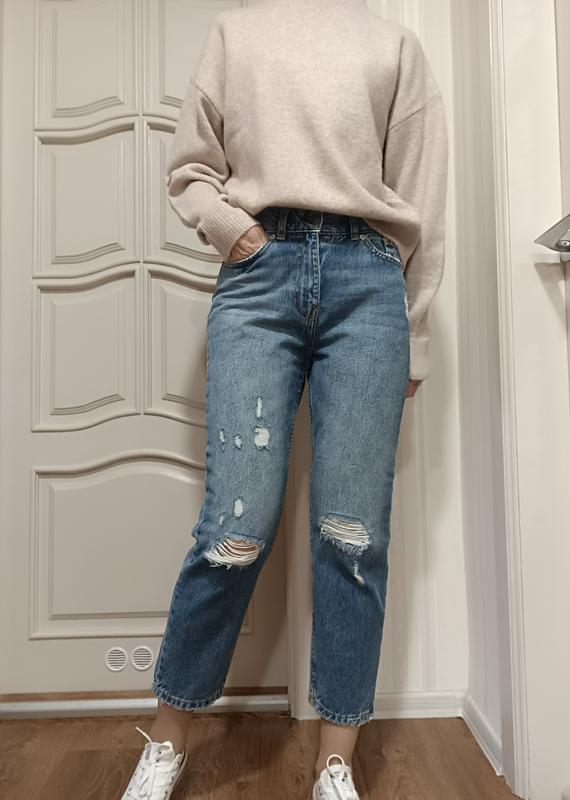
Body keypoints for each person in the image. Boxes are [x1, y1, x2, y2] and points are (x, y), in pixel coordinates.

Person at [120, 0, 447, 797]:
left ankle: (335, 761)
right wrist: (231, 230)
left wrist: (416, 332)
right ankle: (167, 742)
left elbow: (423, 195)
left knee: (351, 534)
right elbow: (190, 167)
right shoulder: (235, 32)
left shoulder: (393, 44)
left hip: (369, 284)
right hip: (257, 279)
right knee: (234, 529)